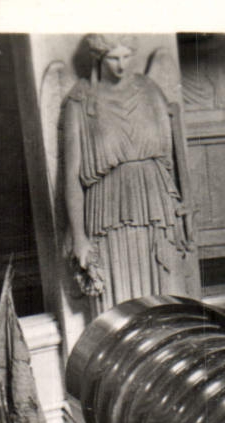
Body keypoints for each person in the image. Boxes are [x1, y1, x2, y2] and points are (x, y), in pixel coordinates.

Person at [60, 34, 196, 319]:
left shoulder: (150, 90)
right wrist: (79, 237)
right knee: (116, 300)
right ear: (99, 56)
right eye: (113, 58)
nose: (121, 65)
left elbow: (174, 155)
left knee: (163, 294)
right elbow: (71, 176)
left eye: (126, 57)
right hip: (107, 213)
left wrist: (184, 204)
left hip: (156, 206)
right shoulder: (81, 100)